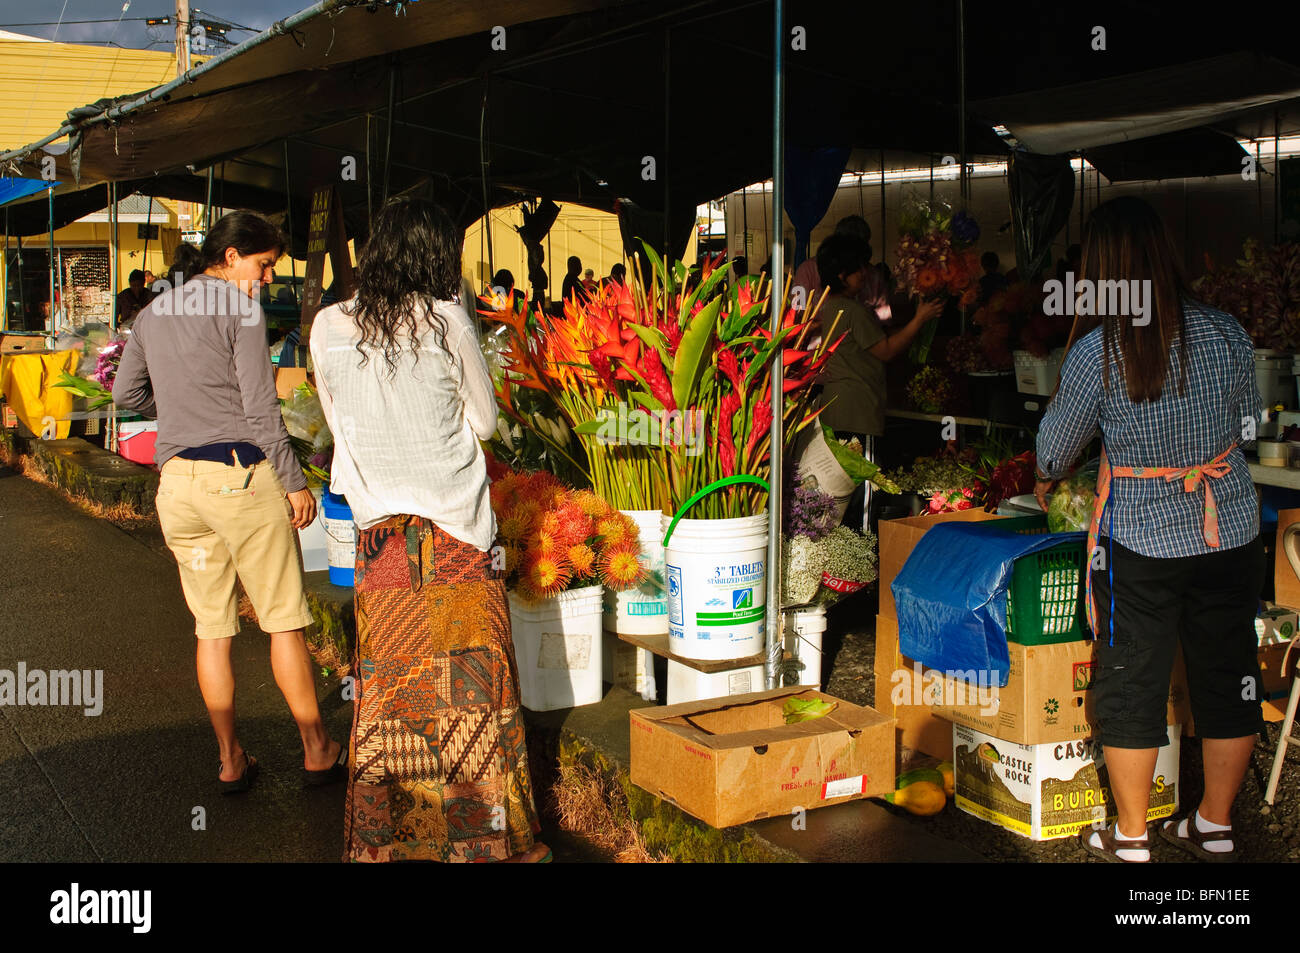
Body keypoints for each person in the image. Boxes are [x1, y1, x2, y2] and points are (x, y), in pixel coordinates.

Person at [310, 196, 547, 864]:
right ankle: (490, 844)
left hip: (381, 544)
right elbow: (487, 422)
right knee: (477, 702)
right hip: (459, 543)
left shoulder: (328, 325)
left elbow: (340, 426)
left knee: (392, 701)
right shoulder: (447, 321)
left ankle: (392, 845)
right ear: (436, 255)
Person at [1034, 196, 1263, 863]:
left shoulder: (1097, 354)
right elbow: (1251, 421)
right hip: (1231, 529)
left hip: (1141, 538)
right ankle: (1214, 824)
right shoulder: (1227, 332)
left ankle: (1131, 836)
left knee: (1132, 678)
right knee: (1228, 673)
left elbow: (1052, 453)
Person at [112, 210, 344, 796]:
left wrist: (180, 404)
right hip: (239, 475)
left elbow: (126, 393)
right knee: (284, 621)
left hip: (178, 486)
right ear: (233, 254)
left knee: (211, 628)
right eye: (264, 266)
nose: (266, 280)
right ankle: (317, 749)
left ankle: (230, 760)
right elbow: (262, 408)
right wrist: (293, 481)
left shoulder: (153, 311)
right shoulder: (239, 309)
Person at [816, 234, 943, 530]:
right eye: (858, 269)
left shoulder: (829, 306)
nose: (864, 274)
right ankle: (860, 555)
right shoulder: (853, 311)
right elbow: (886, 351)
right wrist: (919, 319)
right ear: (842, 275)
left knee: (838, 489)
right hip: (858, 411)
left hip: (835, 407)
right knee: (862, 490)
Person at [792, 215, 886, 325]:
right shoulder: (807, 270)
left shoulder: (873, 275)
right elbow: (795, 317)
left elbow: (883, 324)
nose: (862, 272)